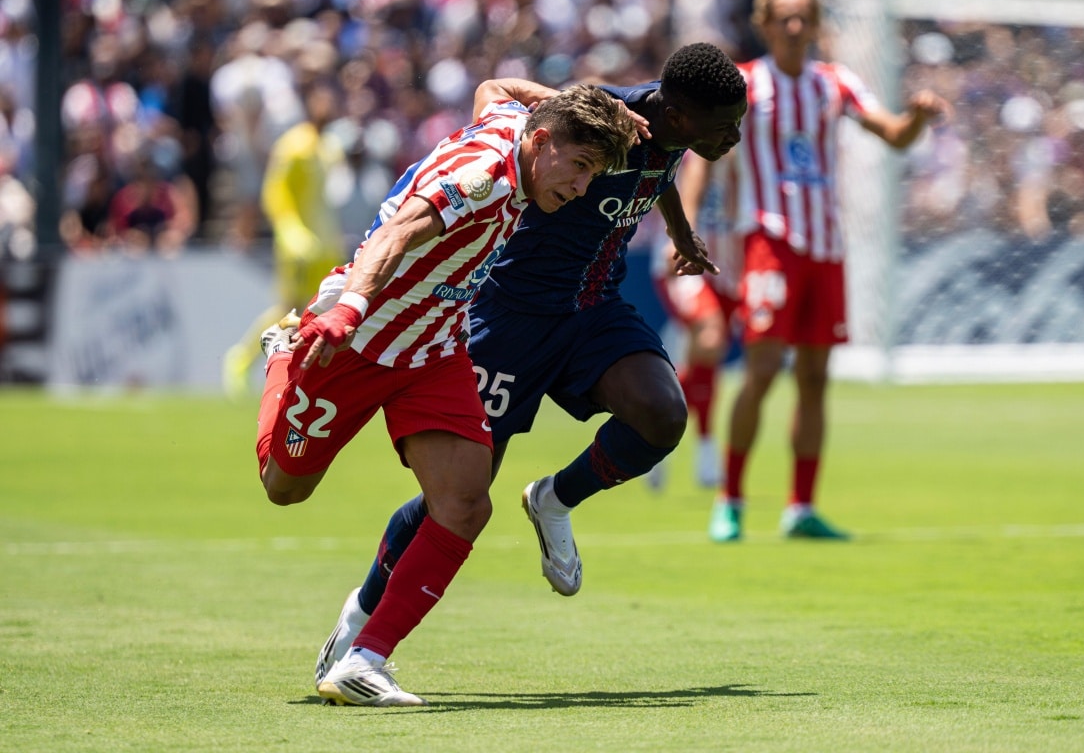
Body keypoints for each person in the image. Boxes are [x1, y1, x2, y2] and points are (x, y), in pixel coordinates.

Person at [309, 43, 748, 691]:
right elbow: (496, 93)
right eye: (725, 126)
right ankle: (363, 613)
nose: (733, 137)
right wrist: (550, 98)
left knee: (661, 415)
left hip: (593, 308)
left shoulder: (675, 134)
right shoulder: (608, 115)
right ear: (682, 114)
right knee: (457, 495)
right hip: (509, 317)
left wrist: (682, 237)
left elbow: (658, 175)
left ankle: (554, 500)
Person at [254, 83, 637, 707]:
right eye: (581, 167)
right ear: (542, 144)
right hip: (360, 341)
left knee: (465, 503)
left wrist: (584, 106)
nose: (582, 187)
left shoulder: (519, 124)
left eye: (592, 172)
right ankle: (281, 360)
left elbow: (496, 87)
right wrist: (350, 306)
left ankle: (365, 659)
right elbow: (398, 231)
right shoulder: (485, 174)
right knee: (284, 488)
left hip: (434, 349)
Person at [696, 0, 950, 542]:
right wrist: (683, 224)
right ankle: (731, 498)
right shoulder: (744, 84)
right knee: (762, 369)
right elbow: (702, 158)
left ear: (815, 26)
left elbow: (892, 135)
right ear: (764, 25)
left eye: (802, 18)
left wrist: (918, 117)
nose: (793, 27)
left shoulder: (834, 83)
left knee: (815, 378)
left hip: (826, 246)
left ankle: (800, 508)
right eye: (782, 18)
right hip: (767, 239)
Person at [223, 79, 347, 398]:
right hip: (299, 246)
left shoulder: (328, 147)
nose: (327, 107)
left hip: (325, 245)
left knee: (322, 308)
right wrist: (291, 233)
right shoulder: (294, 146)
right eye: (321, 101)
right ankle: (242, 358)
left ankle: (309, 375)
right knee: (290, 307)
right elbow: (275, 193)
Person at [645, 150, 741, 490]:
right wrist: (684, 237)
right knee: (711, 335)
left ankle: (687, 440)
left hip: (732, 263)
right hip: (688, 259)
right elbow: (700, 168)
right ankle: (654, 424)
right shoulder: (713, 138)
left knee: (708, 358)